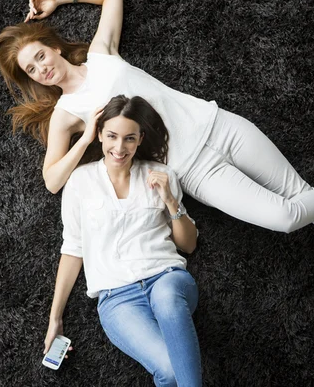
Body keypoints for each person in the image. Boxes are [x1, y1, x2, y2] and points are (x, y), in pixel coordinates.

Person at [0, 0, 314, 290]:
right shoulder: (65, 116)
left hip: (220, 124)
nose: (41, 69)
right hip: (193, 171)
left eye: (40, 55)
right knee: (286, 217)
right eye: (30, 70)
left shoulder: (101, 54)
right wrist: (87, 141)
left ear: (54, 47)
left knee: (299, 193)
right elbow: (51, 180)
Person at [45, 95, 201, 386]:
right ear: (100, 134)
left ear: (140, 139)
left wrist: (169, 200)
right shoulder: (80, 181)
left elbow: (188, 245)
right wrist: (55, 318)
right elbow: (72, 250)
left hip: (166, 278)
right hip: (118, 299)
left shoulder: (162, 174)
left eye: (129, 138)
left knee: (167, 301)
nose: (120, 148)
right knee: (168, 370)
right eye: (112, 136)